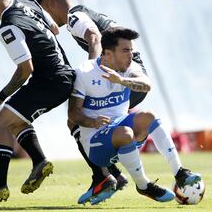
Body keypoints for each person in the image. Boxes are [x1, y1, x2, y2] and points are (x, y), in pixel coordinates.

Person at [37, 0, 148, 204]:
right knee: (90, 120)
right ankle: (110, 174)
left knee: (76, 118)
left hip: (123, 74)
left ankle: (104, 176)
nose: (44, 20)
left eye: (42, 13)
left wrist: (91, 74)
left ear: (50, 3)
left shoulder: (74, 16)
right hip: (131, 73)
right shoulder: (84, 13)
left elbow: (94, 38)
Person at [0, 0, 75, 206]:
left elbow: (25, 69)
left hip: (50, 81)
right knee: (13, 120)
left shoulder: (7, 26)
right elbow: (55, 29)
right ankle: (39, 162)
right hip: (59, 75)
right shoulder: (28, 2)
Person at [68, 27, 201, 203]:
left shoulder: (129, 68)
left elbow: (147, 84)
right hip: (96, 143)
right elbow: (73, 115)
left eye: (131, 49)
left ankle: (180, 173)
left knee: (149, 116)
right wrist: (92, 122)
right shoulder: (85, 72)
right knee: (125, 133)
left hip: (122, 130)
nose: (130, 55)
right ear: (108, 53)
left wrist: (123, 81)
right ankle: (144, 185)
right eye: (125, 50)